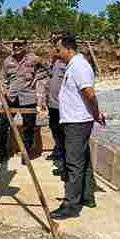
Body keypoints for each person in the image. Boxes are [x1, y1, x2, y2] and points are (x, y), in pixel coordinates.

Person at [50, 34, 105, 220]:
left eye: (58, 50)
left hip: (77, 122)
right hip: (75, 120)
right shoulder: (73, 65)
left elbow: (89, 93)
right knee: (83, 160)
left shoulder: (79, 66)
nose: (57, 53)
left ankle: (70, 206)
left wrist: (96, 113)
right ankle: (87, 197)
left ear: (68, 49)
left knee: (73, 164)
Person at [0, 39, 45, 165]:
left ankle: (26, 154)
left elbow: (46, 70)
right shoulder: (7, 61)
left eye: (19, 44)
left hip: (28, 98)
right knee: (2, 124)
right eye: (14, 44)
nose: (16, 47)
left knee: (29, 127)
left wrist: (37, 79)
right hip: (10, 98)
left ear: (25, 45)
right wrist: (4, 91)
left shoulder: (34, 59)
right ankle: (3, 152)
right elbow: (5, 79)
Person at [45, 34, 67, 174]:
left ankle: (65, 167)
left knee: (64, 136)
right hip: (53, 105)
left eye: (56, 43)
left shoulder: (67, 62)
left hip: (62, 106)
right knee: (55, 130)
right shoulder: (55, 61)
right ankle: (59, 152)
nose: (53, 46)